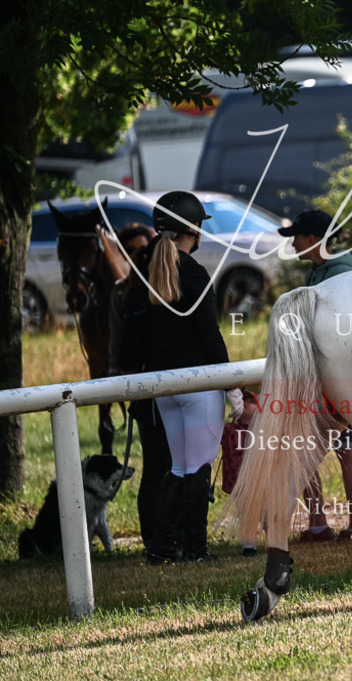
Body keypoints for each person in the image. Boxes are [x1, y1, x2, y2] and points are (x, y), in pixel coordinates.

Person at [125, 190, 243, 564]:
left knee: (177, 467)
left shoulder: (144, 274)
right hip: (197, 385)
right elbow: (210, 336)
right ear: (192, 230)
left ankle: (161, 549)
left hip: (163, 387)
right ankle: (195, 549)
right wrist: (231, 383)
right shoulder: (195, 274)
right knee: (198, 468)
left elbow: (135, 341)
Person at [277, 209, 352, 543]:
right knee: (330, 448)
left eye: (297, 238)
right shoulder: (323, 270)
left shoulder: (337, 273)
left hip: (339, 374)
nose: (293, 245)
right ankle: (323, 523)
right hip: (324, 373)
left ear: (313, 240)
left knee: (344, 449)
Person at [110, 224, 174, 555]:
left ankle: (165, 534)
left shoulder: (145, 293)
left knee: (165, 465)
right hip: (148, 393)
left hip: (159, 391)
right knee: (157, 466)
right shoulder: (131, 296)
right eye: (133, 250)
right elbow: (124, 353)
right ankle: (155, 538)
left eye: (142, 249)